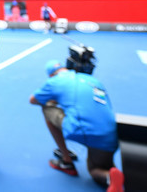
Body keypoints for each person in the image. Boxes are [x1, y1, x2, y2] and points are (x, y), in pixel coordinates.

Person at [29, 60, 124, 192]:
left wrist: (54, 99)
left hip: (84, 130)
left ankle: (66, 161)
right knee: (100, 168)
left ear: (51, 75)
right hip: (110, 135)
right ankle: (110, 178)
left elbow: (33, 100)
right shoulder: (92, 80)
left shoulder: (54, 81)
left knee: (47, 107)